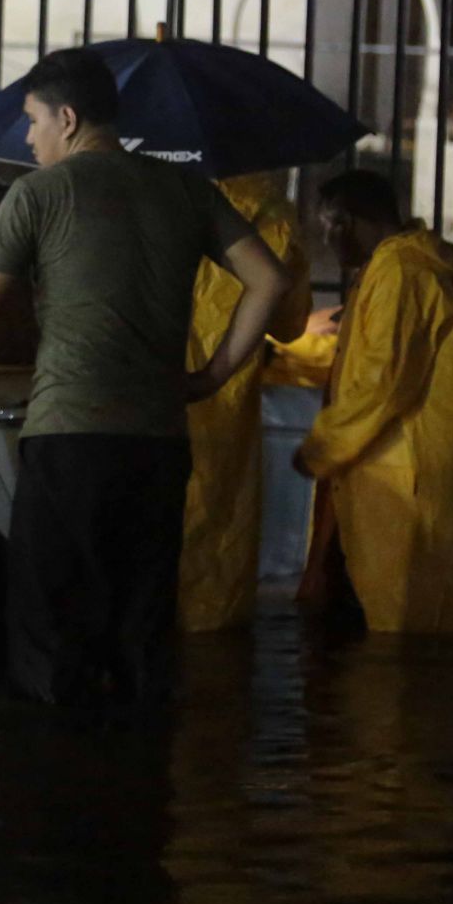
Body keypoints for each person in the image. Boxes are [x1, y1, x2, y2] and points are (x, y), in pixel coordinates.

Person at [0, 47, 293, 709]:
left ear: (66, 118)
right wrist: (211, 375)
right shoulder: (187, 190)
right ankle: (135, 788)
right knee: (141, 625)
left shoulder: (38, 194)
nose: (29, 138)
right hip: (158, 442)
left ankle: (56, 790)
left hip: (70, 438)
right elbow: (269, 281)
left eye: (33, 122)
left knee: (51, 627)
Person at [287, 169, 453, 636]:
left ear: (346, 222)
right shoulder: (399, 269)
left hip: (402, 472)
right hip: (400, 466)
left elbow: (381, 381)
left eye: (327, 228)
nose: (327, 241)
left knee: (401, 623)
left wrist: (322, 448)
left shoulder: (399, 273)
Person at [178, 171, 311, 632]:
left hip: (157, 384)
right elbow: (291, 326)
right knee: (219, 520)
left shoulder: (164, 193)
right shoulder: (275, 217)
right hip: (226, 389)